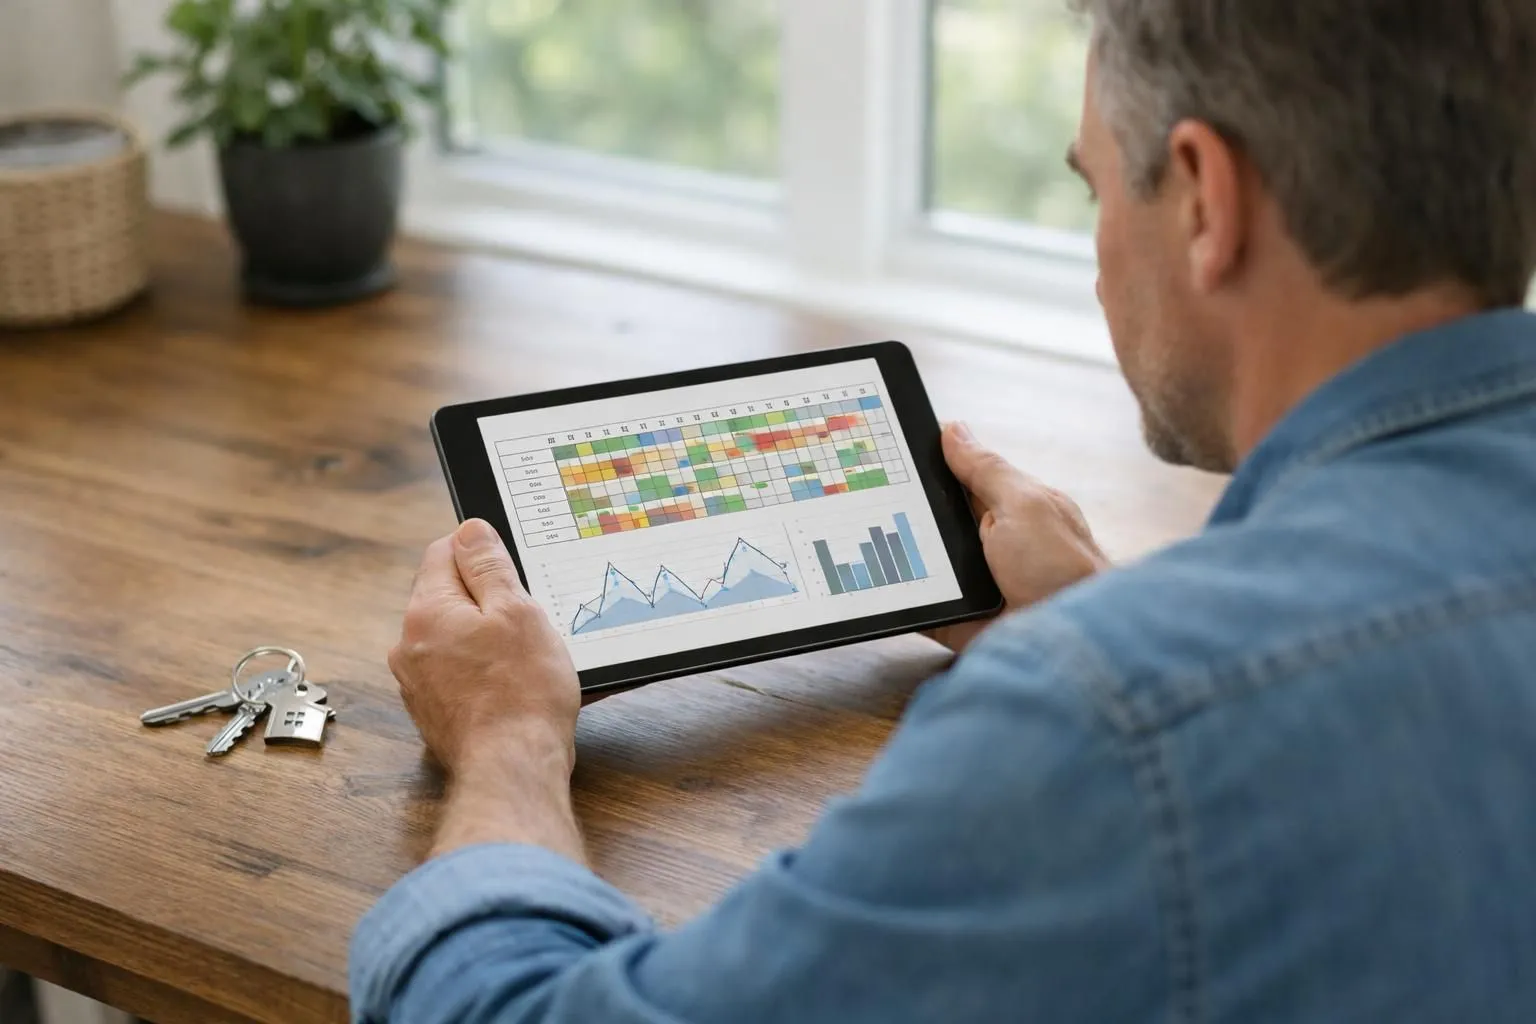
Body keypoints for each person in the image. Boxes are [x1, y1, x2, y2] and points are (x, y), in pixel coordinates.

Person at [350, 1, 1536, 1020]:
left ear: (1206, 201)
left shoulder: (1098, 724)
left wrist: (508, 738)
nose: (1098, 257)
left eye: (1098, 190)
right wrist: (1108, 620)